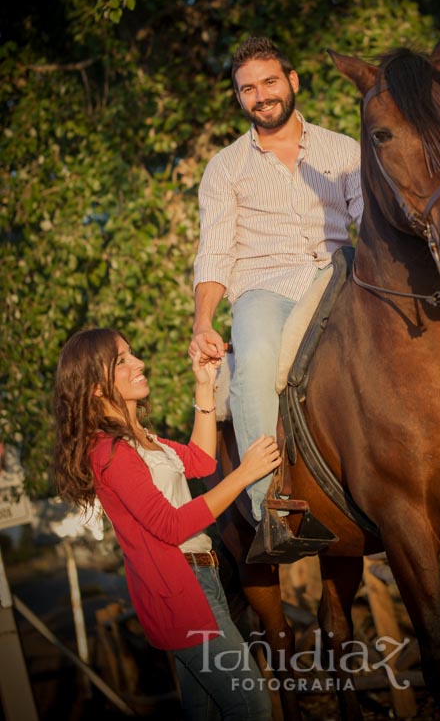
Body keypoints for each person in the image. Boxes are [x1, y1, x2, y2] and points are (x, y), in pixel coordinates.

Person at [53, 327, 278, 721]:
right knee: (252, 705)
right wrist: (244, 475)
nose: (139, 364)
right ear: (93, 387)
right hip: (181, 594)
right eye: (121, 361)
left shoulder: (139, 439)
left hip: (202, 581)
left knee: (203, 711)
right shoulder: (109, 452)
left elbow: (199, 461)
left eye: (131, 354)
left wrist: (204, 385)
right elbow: (171, 526)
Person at [189, 36, 363, 522]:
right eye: (248, 89)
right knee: (258, 361)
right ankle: (272, 506)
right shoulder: (225, 168)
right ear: (240, 98)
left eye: (269, 82)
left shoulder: (343, 150)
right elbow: (215, 252)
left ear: (293, 81)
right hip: (265, 288)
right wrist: (204, 322)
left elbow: (368, 220)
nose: (261, 95)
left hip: (337, 275)